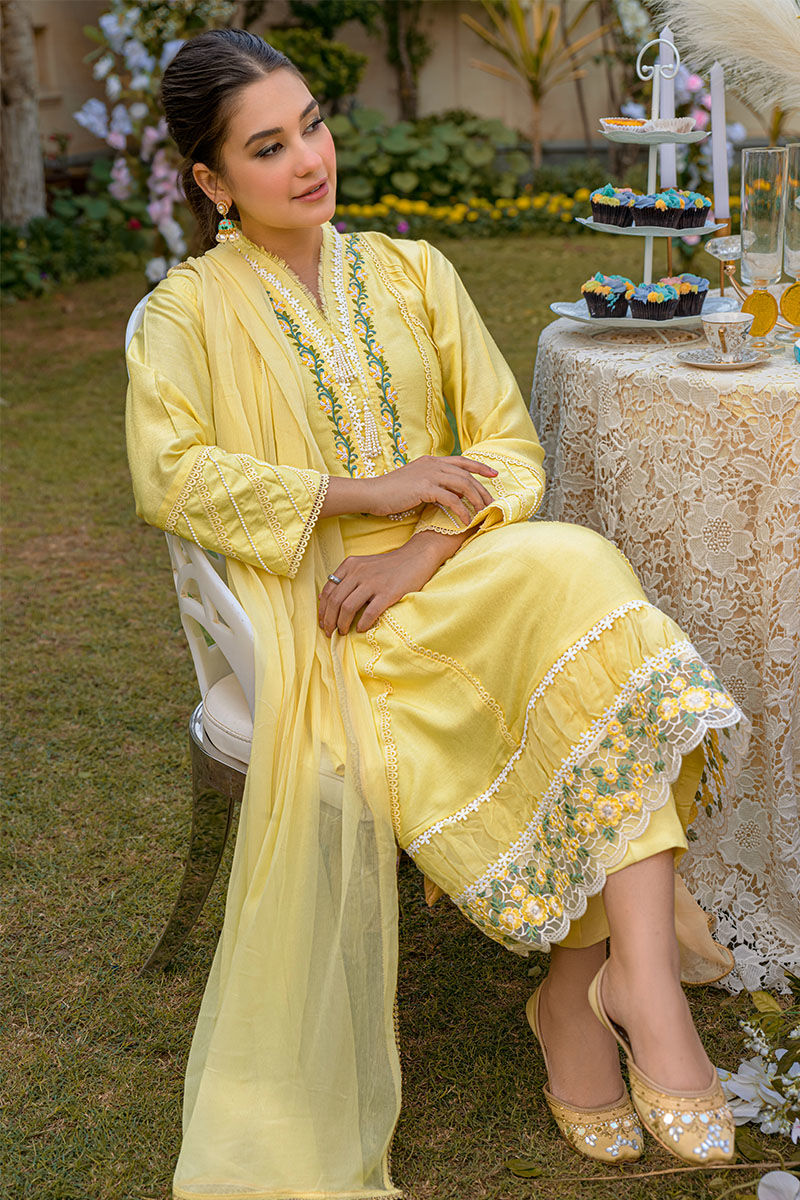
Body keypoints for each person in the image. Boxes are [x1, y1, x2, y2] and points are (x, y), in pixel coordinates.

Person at [125, 28, 749, 1200]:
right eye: (268, 146)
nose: (310, 158)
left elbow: (506, 446)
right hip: (327, 609)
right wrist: (365, 495)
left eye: (312, 124)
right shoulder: (184, 314)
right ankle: (599, 994)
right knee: (585, 633)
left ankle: (617, 991)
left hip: (448, 564)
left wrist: (423, 543)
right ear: (212, 181)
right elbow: (174, 477)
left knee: (578, 572)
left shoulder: (411, 273)